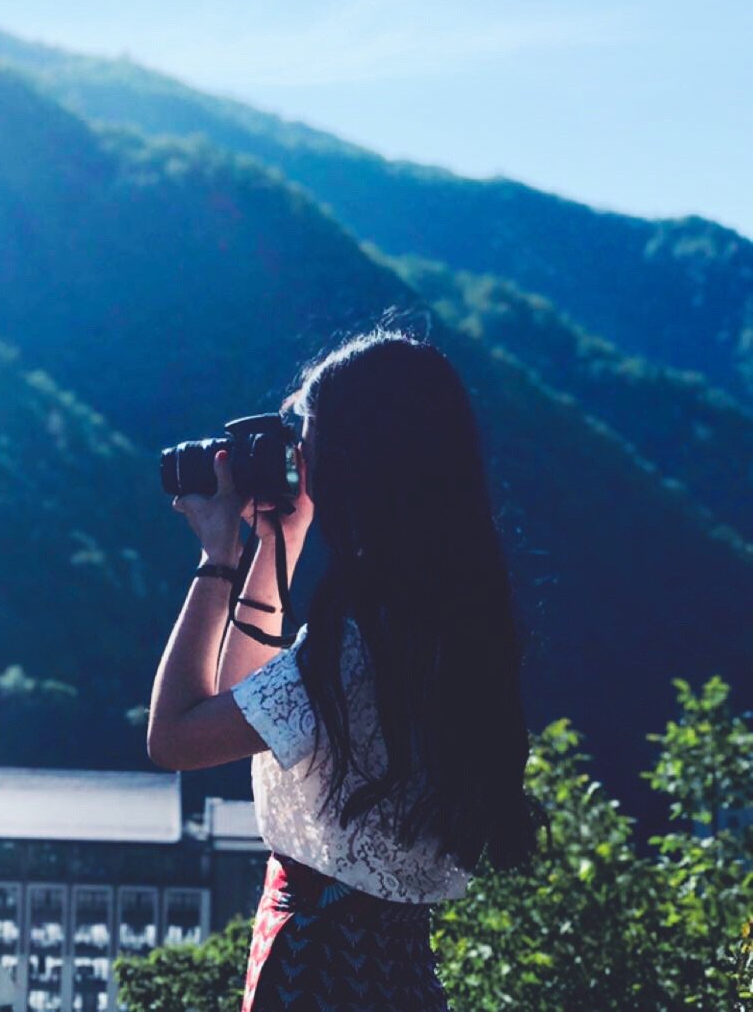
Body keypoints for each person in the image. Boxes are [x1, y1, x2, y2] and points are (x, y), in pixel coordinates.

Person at [147, 329, 542, 1011]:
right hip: (398, 978)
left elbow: (176, 737)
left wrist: (218, 558)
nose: (300, 454)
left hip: (317, 976)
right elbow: (254, 699)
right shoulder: (437, 625)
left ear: (356, 460)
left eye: (308, 434)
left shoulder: (357, 647)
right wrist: (279, 540)